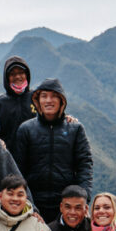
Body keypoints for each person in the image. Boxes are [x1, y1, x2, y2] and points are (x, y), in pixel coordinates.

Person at [14, 78, 93, 223]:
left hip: (66, 205)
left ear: (61, 100)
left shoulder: (75, 129)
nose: (48, 100)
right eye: (44, 96)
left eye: (53, 96)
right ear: (37, 101)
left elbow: (84, 165)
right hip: (33, 204)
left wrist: (83, 197)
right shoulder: (26, 129)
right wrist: (25, 202)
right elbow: (18, 169)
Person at [0, 56, 35, 164]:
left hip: (35, 161)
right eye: (12, 74)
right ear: (7, 78)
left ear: (27, 75)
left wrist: (65, 118)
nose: (17, 76)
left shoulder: (37, 98)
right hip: (8, 162)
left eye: (21, 72)